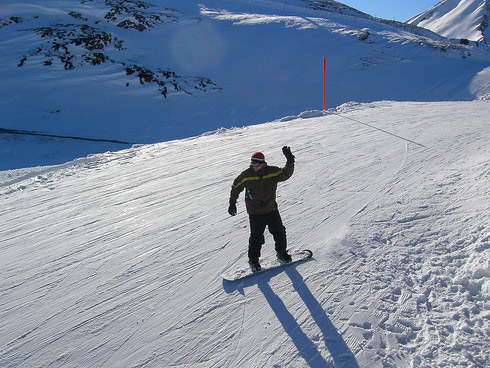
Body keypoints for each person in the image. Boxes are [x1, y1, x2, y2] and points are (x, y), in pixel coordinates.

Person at [228, 146, 295, 272]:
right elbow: (236, 185)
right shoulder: (247, 175)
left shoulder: (271, 172)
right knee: (256, 237)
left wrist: (290, 162)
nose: (254, 167)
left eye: (256, 164)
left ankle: (281, 253)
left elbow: (285, 174)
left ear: (262, 163)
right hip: (255, 212)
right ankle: (253, 260)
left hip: (271, 209)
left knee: (279, 232)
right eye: (252, 164)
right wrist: (232, 201)